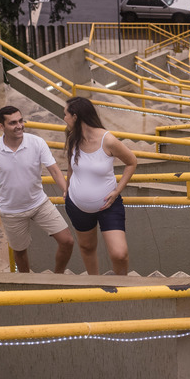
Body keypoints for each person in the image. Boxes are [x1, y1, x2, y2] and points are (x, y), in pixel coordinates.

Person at [0, 105, 75, 273]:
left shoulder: (37, 142)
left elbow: (54, 169)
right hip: (11, 210)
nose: (19, 126)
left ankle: (58, 276)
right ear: (1, 127)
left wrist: (66, 191)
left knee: (67, 241)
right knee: (20, 252)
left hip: (40, 203)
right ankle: (27, 283)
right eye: (12, 123)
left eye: (20, 120)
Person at [62, 97, 138, 276]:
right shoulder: (72, 136)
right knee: (87, 247)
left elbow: (132, 162)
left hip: (108, 205)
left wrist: (117, 190)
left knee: (119, 254)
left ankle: (121, 287)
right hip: (77, 206)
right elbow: (71, 165)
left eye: (65, 114)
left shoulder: (108, 140)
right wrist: (67, 187)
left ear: (76, 116)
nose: (63, 118)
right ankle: (95, 282)